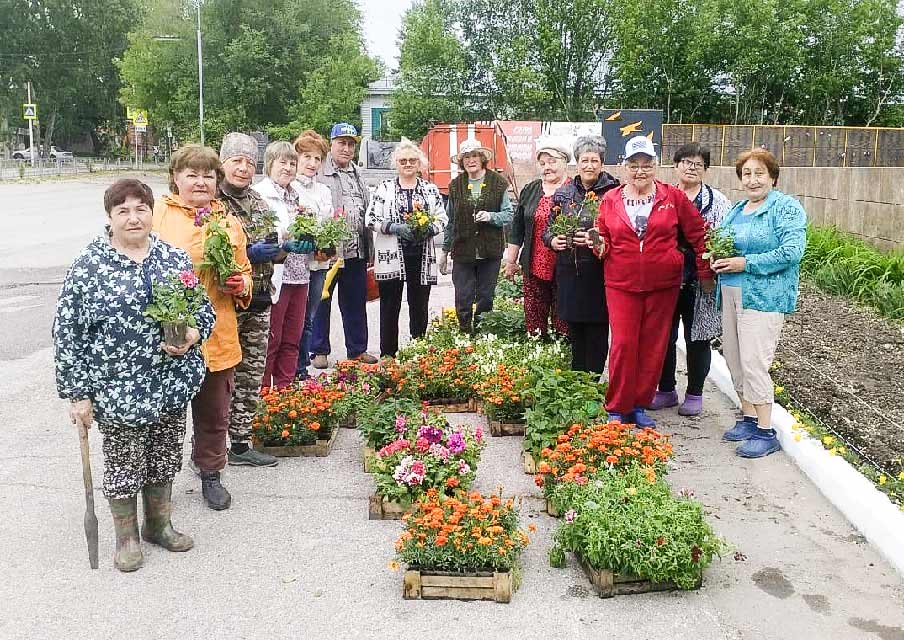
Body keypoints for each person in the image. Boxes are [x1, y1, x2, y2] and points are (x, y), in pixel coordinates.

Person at [54, 179, 215, 572]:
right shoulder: (89, 267)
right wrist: (78, 394)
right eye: (122, 210)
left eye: (140, 208)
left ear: (151, 212)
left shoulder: (173, 260)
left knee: (164, 457)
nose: (133, 217)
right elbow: (68, 333)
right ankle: (126, 537)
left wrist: (193, 333)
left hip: (171, 383)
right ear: (109, 217)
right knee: (125, 464)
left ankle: (159, 524)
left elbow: (203, 310)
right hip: (118, 389)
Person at [153, 145, 253, 511]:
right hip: (172, 335)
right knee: (165, 415)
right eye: (192, 174)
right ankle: (158, 484)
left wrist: (241, 285)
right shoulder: (158, 216)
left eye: (208, 175)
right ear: (176, 178)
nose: (200, 182)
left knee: (214, 412)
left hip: (218, 333)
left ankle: (211, 473)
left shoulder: (226, 221)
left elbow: (243, 270)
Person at [594, 136, 714, 428]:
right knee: (623, 344)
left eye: (646, 165)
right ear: (624, 167)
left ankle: (638, 405)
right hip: (621, 283)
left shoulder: (672, 197)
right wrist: (598, 244)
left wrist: (705, 273)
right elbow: (603, 236)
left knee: (653, 347)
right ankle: (617, 407)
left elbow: (699, 234)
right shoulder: (611, 199)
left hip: (663, 285)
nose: (640, 171)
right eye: (634, 165)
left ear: (655, 166)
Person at [717, 149, 807, 458]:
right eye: (746, 174)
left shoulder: (786, 208)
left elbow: (791, 252)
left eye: (759, 173)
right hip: (729, 291)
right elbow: (721, 241)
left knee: (755, 362)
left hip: (763, 296)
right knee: (734, 358)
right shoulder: (738, 209)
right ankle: (749, 418)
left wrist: (745, 263)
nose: (752, 180)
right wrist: (717, 257)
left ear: (772, 177)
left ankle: (766, 431)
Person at [650, 143, 732, 416]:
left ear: (706, 169)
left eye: (698, 164)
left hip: (701, 279)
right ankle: (666, 389)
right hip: (666, 277)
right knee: (663, 336)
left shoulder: (717, 202)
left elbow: (724, 239)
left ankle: (695, 393)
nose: (691, 168)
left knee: (698, 337)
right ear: (676, 166)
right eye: (686, 162)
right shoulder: (661, 196)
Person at [216, 132, 280, 468]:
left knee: (251, 373)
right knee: (218, 377)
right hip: (226, 303)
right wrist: (246, 252)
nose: (243, 168)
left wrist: (285, 249)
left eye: (249, 163)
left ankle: (241, 443)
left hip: (258, 299)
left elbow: (274, 246)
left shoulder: (259, 203)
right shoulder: (211, 202)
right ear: (223, 162)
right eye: (236, 161)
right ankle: (209, 448)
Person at [365, 138, 448, 356]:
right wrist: (393, 227)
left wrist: (429, 228)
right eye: (403, 160)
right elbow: (371, 219)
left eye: (412, 160)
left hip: (421, 256)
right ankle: (388, 354)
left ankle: (417, 353)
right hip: (391, 256)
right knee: (390, 307)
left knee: (419, 306)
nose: (408, 164)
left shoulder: (430, 189)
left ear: (420, 163)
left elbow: (442, 218)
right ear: (396, 163)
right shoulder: (385, 189)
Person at [544, 135, 619, 373]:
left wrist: (596, 239)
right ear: (577, 162)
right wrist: (553, 240)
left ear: (602, 163)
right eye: (584, 160)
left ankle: (593, 384)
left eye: (594, 160)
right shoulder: (564, 192)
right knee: (575, 332)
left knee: (597, 333)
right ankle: (578, 383)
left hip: (600, 274)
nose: (589, 166)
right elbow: (548, 229)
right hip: (569, 272)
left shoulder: (614, 191)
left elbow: (622, 232)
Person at [310, 123, 378, 367]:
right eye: (342, 143)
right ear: (332, 144)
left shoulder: (359, 173)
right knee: (321, 300)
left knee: (355, 303)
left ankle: (357, 350)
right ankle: (318, 350)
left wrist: (371, 249)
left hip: (357, 249)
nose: (347, 149)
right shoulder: (320, 172)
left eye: (351, 144)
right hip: (329, 252)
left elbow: (368, 212)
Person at [252, 141, 314, 388]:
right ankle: (265, 395)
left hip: (299, 274)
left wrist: (314, 240)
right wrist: (284, 244)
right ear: (269, 164)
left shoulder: (297, 194)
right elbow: (259, 234)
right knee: (272, 339)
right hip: (275, 276)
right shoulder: (260, 195)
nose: (288, 168)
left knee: (293, 338)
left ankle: (285, 392)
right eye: (282, 162)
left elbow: (307, 228)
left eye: (292, 163)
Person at [440, 138, 513, 334]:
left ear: (482, 158)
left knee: (485, 297)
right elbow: (451, 220)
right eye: (466, 157)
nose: (471, 160)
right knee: (463, 297)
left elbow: (508, 215)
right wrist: (444, 251)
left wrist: (491, 216)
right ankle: (465, 333)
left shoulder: (498, 183)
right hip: (463, 249)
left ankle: (482, 336)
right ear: (461, 162)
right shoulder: (456, 185)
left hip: (490, 251)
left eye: (474, 156)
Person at [504, 137, 571, 337]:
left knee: (564, 318)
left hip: (564, 266)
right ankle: (538, 356)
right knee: (534, 319)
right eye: (542, 163)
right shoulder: (531, 189)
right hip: (534, 265)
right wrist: (511, 261)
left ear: (564, 162)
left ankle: (563, 359)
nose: (547, 167)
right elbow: (517, 228)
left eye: (552, 162)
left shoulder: (574, 190)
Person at [290, 130, 335, 380]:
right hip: (294, 263)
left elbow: (329, 224)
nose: (311, 163)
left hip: (318, 263)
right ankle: (291, 367)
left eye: (317, 158)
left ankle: (301, 369)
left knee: (310, 316)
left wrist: (328, 244)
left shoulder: (323, 190)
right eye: (306, 156)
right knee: (294, 319)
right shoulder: (290, 188)